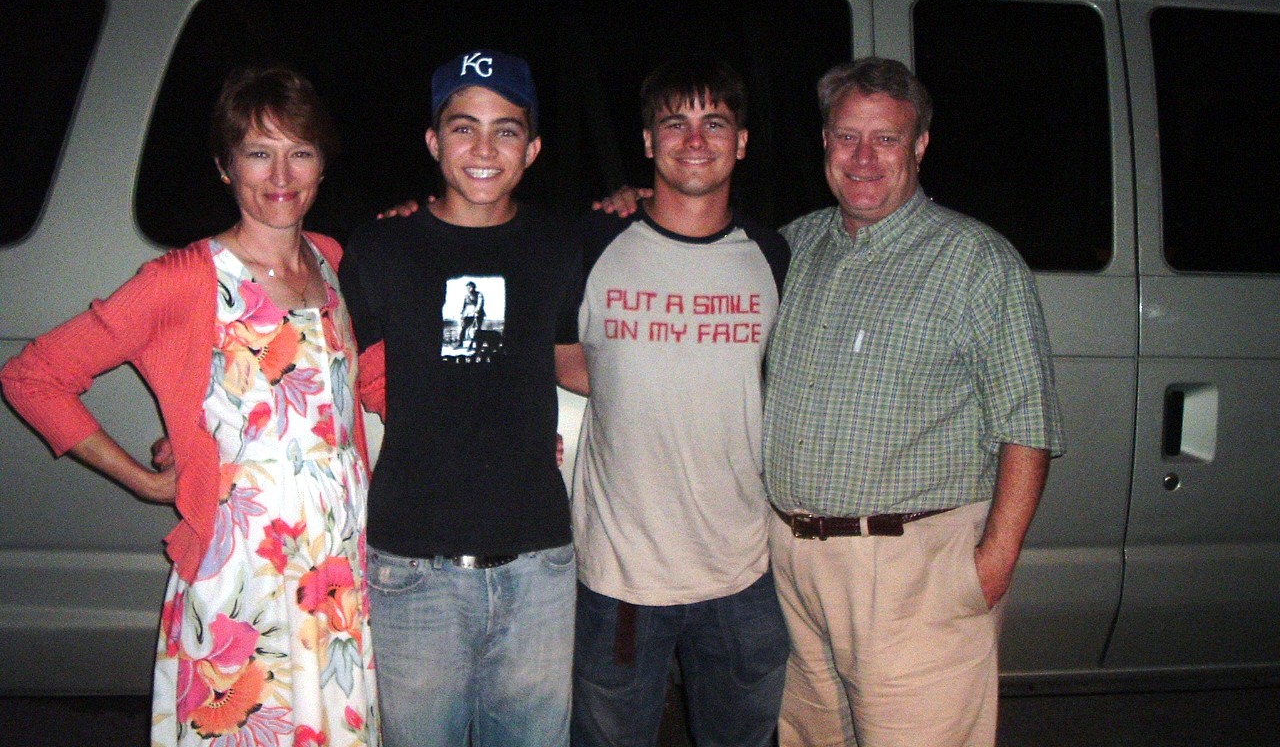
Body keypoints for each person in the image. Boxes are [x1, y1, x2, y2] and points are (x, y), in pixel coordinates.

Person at [1, 65, 379, 747]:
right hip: (242, 575)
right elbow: (35, 376)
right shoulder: (183, 279)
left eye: (300, 151)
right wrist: (148, 480)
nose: (280, 174)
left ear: (323, 164)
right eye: (258, 153)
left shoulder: (332, 261)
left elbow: (371, 384)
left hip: (337, 566)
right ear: (224, 167)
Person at [764, 57, 1064, 747]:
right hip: (793, 569)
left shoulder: (975, 260)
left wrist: (992, 564)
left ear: (920, 145)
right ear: (825, 143)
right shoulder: (793, 244)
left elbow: (1029, 425)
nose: (863, 157)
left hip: (912, 577)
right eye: (846, 137)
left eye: (886, 139)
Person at [338, 49, 584, 747]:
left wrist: (634, 196)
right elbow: (316, 367)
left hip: (539, 563)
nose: (483, 148)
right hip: (411, 566)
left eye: (505, 130)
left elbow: (595, 353)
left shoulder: (565, 245)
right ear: (432, 140)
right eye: (462, 127)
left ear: (532, 148)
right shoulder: (381, 247)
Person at [571, 57, 791, 747]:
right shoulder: (593, 243)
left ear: (742, 141)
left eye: (714, 122)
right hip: (621, 581)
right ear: (648, 142)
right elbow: (556, 359)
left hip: (745, 576)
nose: (695, 140)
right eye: (675, 122)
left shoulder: (773, 256)